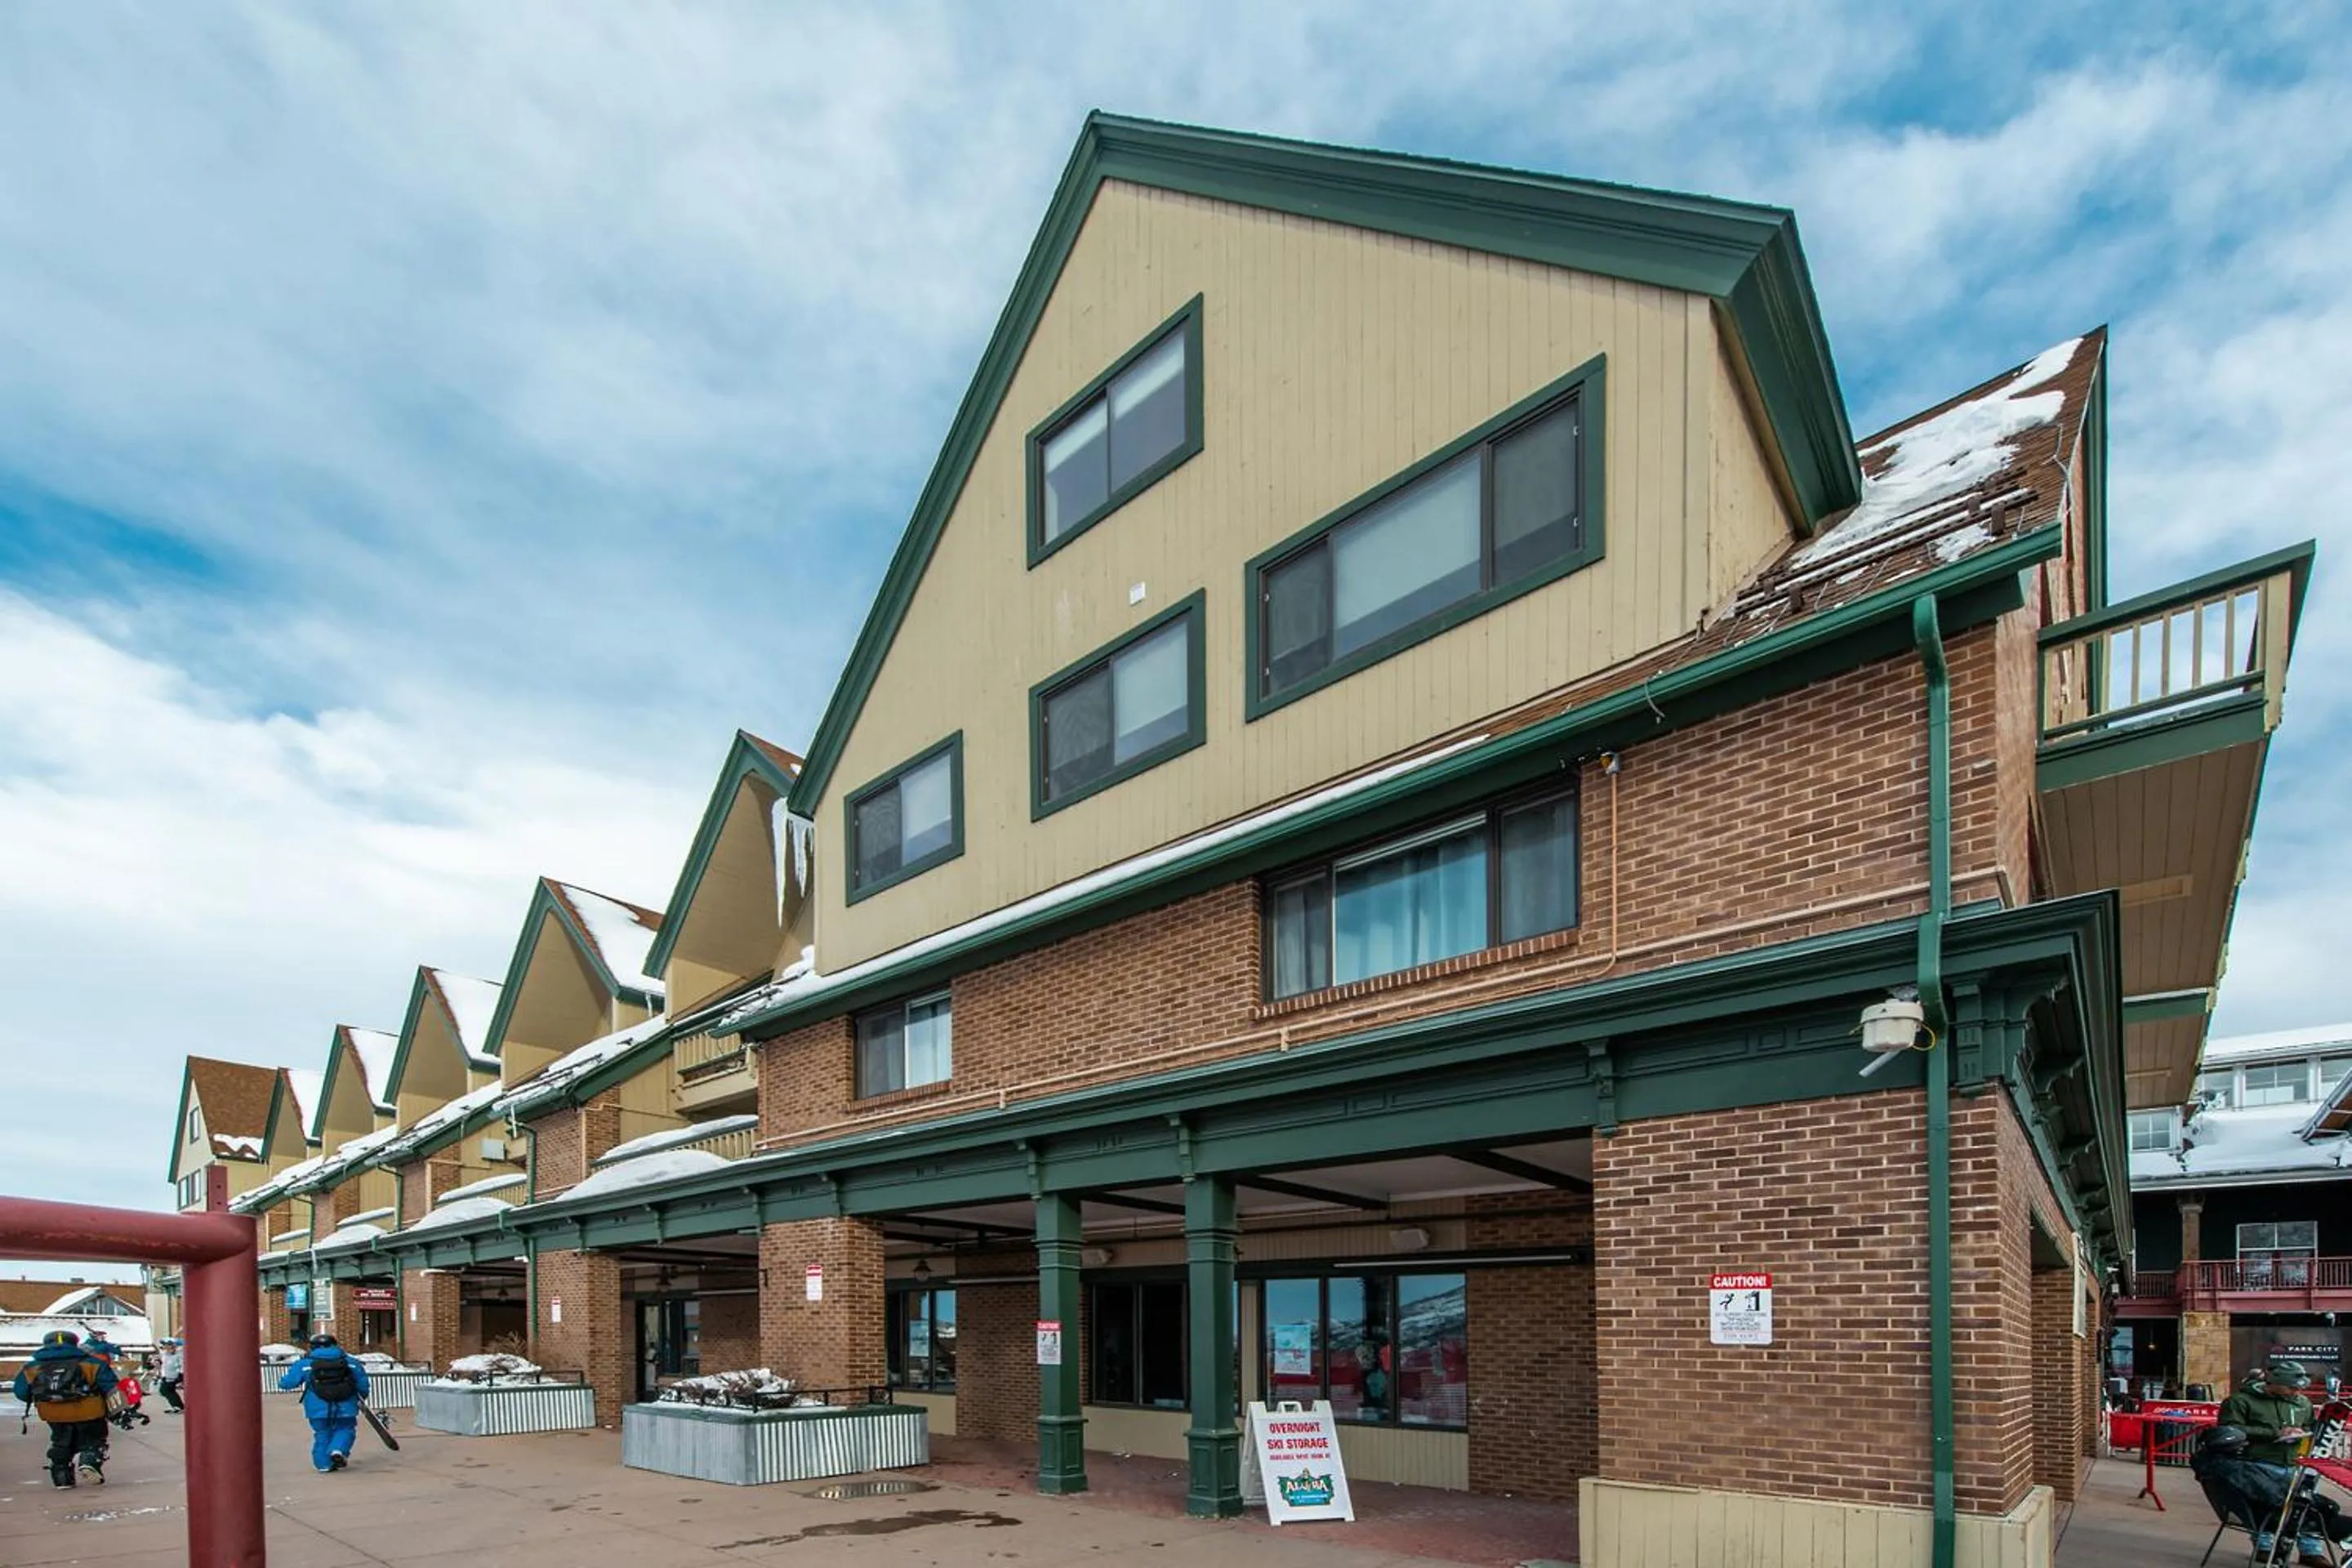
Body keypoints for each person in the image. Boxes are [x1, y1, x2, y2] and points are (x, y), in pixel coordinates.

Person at [2192, 1423, 2348, 1566]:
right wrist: (2324, 1504)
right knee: (2340, 1522)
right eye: (2243, 1444)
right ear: (2235, 1448)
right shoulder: (2238, 1470)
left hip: (2251, 1516)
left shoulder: (2210, 1466)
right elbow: (2276, 1497)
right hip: (2276, 1518)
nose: (2246, 1447)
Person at [2219, 1361, 2328, 1561]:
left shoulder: (2302, 1403)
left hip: (2295, 1464)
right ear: (2274, 1383)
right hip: (2257, 1462)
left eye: (2300, 1388)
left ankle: (2310, 1550)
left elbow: (2310, 1426)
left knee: (2305, 1506)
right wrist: (2273, 1434)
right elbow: (2229, 1430)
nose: (2297, 1392)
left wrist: (2303, 1435)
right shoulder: (2240, 1402)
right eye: (2292, 1388)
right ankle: (2264, 1546)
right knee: (2263, 1506)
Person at [11, 1329, 118, 1488]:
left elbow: (21, 1393)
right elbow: (111, 1388)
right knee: (93, 1440)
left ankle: (61, 1475)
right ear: (75, 1343)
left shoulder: (32, 1367)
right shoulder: (92, 1363)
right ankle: (89, 1461)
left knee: (61, 1441)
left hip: (52, 1413)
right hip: (89, 1411)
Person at [278, 1330, 369, 1473]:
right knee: (345, 1429)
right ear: (334, 1345)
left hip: (316, 1407)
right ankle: (338, 1449)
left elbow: (286, 1383)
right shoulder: (350, 1363)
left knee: (322, 1433)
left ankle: (323, 1464)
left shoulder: (305, 1364)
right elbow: (362, 1384)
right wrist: (361, 1398)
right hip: (346, 1406)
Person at [156, 1337, 185, 1414]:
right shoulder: (165, 1354)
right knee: (169, 1391)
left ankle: (178, 1406)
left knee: (164, 1390)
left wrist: (181, 1375)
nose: (165, 1346)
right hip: (166, 1375)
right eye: (164, 1345)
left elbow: (182, 1365)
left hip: (173, 1376)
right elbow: (161, 1361)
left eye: (167, 1345)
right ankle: (177, 1406)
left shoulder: (178, 1354)